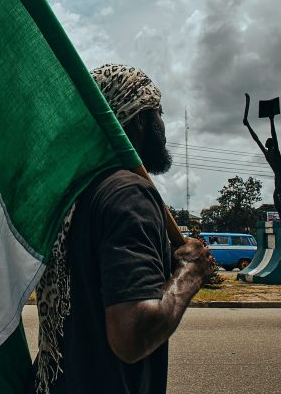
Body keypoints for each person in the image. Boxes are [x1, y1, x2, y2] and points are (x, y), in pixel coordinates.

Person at [28, 64, 215, 394]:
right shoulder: (129, 195)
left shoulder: (74, 194)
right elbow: (131, 335)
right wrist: (190, 273)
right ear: (141, 118)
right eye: (158, 111)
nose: (163, 124)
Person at [243, 93, 281, 220]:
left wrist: (271, 120)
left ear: (272, 143)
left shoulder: (276, 151)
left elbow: (274, 134)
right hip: (277, 176)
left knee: (276, 195)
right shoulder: (266, 153)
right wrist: (248, 126)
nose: (266, 141)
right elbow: (256, 139)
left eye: (268, 140)